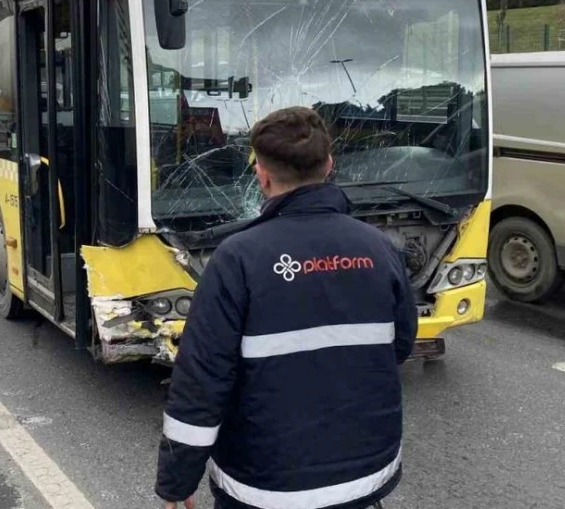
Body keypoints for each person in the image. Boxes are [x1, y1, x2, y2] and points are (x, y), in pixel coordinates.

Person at [155, 107, 417, 509]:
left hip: (264, 488)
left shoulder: (237, 259)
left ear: (261, 175)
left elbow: (201, 383)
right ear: (329, 165)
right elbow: (399, 346)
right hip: (363, 482)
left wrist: (177, 482)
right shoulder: (378, 248)